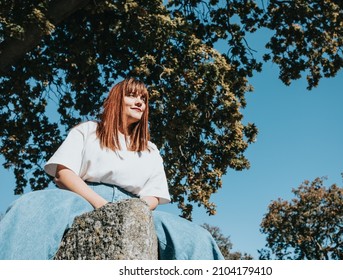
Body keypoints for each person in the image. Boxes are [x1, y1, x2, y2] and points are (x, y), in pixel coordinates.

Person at [0, 78, 224, 260]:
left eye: (143, 99)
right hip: (83, 196)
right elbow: (64, 172)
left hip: (136, 207)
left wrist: (134, 211)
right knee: (31, 206)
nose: (140, 103)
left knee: (197, 237)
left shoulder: (150, 150)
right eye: (132, 96)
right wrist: (100, 203)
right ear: (117, 100)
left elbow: (155, 194)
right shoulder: (88, 130)